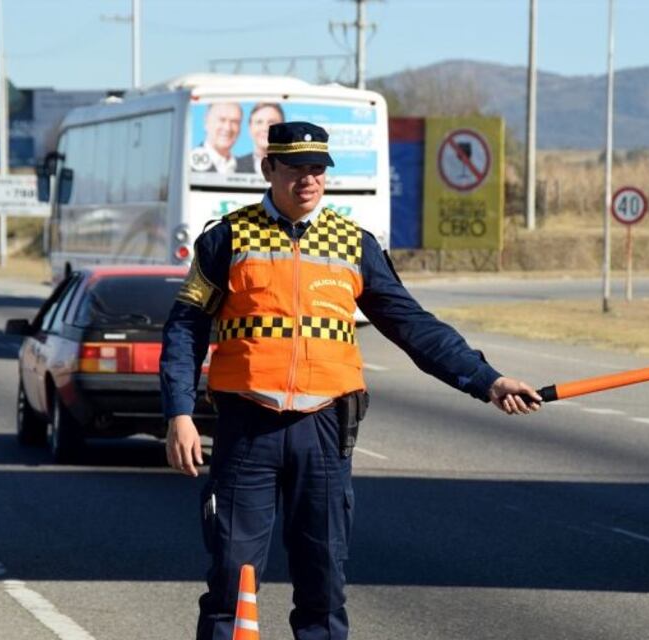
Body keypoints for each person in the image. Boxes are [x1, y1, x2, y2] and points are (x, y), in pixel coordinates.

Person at [160, 121, 541, 640]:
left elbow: (413, 325)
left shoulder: (353, 244)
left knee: (323, 582)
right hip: (248, 429)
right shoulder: (227, 239)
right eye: (296, 169)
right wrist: (178, 413)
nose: (309, 180)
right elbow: (185, 328)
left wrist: (488, 380)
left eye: (318, 170)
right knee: (231, 577)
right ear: (269, 168)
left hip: (324, 431)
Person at [190, 102, 243, 174]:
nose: (228, 128)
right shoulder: (187, 163)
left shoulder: (247, 169)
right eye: (222, 120)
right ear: (206, 122)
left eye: (234, 122)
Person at [235, 102, 285, 174]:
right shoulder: (233, 166)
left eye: (271, 122)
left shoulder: (293, 166)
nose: (265, 128)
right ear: (250, 128)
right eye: (259, 122)